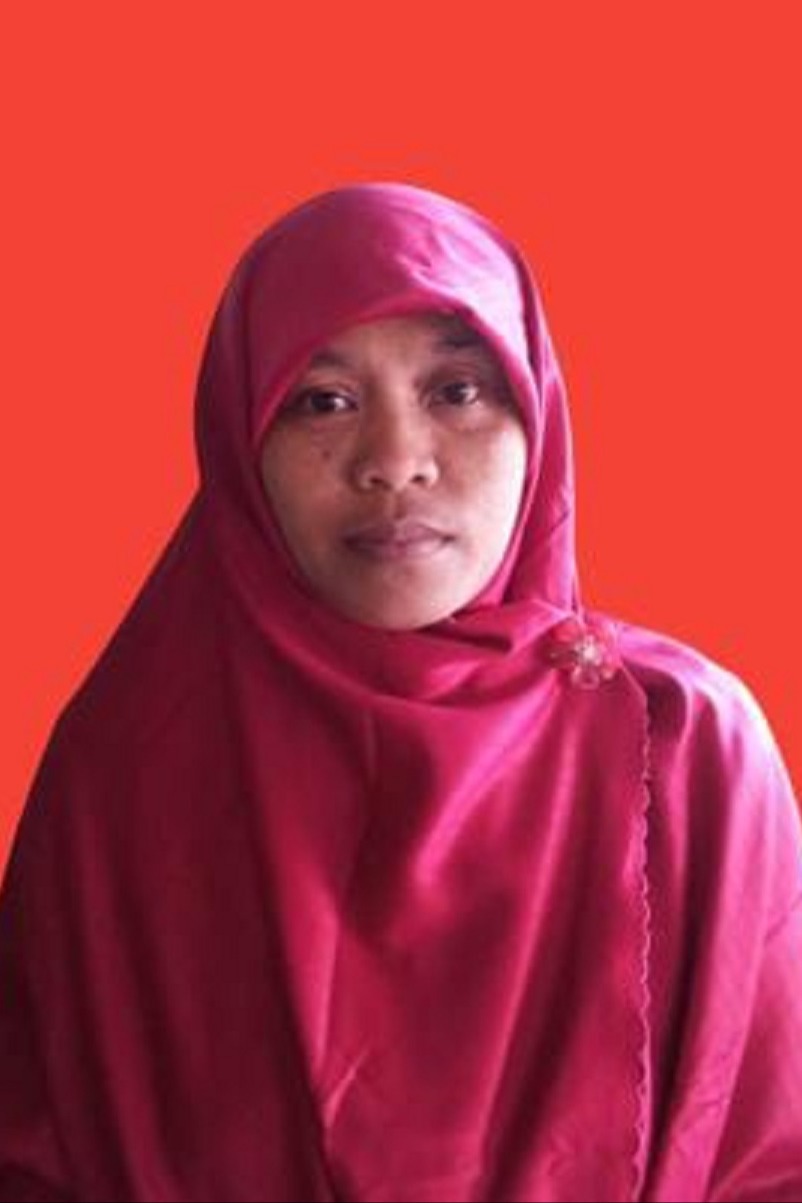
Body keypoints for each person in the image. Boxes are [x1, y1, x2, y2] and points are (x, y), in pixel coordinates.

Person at [1, 181, 800, 1203]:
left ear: (537, 412)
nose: (393, 463)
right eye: (323, 401)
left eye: (457, 390)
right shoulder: (122, 774)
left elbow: (769, 1159)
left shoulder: (680, 742)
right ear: (239, 442)